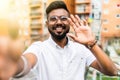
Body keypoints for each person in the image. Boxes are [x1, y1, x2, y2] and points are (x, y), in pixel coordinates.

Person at [0, 1, 119, 80]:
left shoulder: (81, 49)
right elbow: (26, 62)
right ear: (47, 24)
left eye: (63, 18)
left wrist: (91, 44)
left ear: (69, 22)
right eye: (53, 19)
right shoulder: (39, 48)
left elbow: (112, 71)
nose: (58, 22)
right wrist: (13, 64)